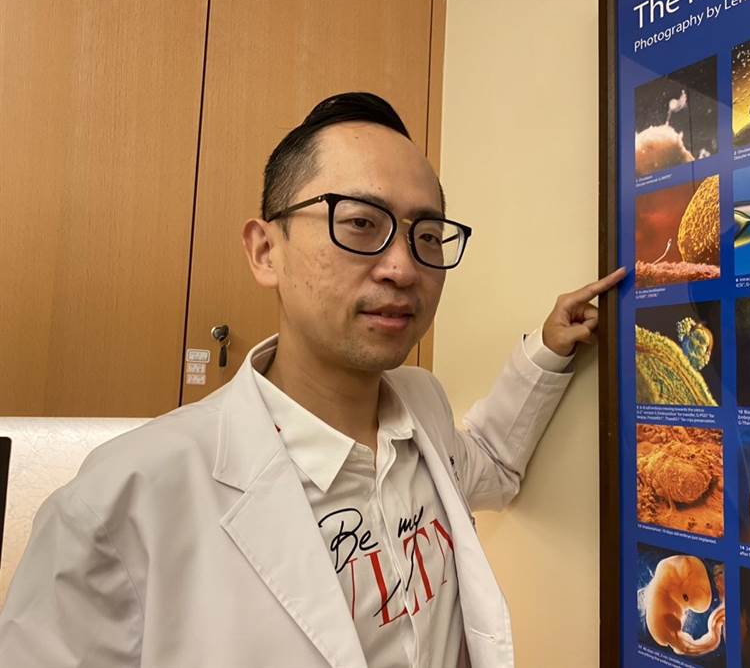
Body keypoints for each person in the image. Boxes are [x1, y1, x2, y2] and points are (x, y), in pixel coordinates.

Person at [0, 92, 625, 668]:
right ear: (265, 251)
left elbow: (490, 462)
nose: (404, 267)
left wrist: (547, 350)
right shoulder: (121, 503)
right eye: (360, 223)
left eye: (428, 235)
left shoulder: (421, 409)